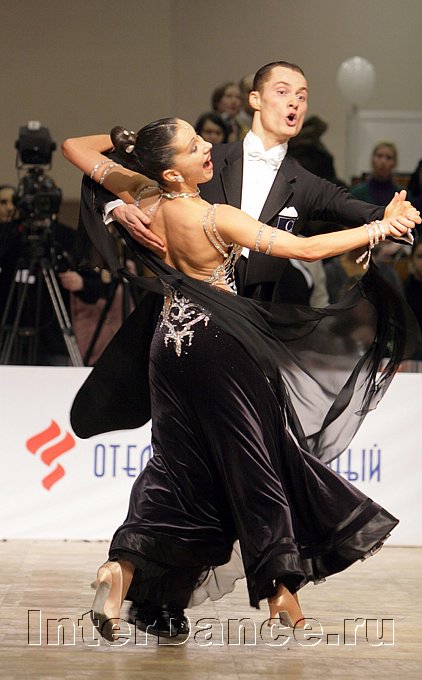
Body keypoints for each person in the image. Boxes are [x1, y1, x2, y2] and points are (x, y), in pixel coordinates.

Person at [92, 60, 419, 636]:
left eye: (303, 94)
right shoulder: (213, 196)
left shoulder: (177, 188)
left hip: (174, 343)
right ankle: (280, 591)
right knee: (259, 462)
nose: (295, 102)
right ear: (255, 99)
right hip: (224, 347)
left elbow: (81, 150)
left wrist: (388, 216)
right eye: (283, 91)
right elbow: (310, 249)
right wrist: (111, 205)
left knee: (179, 469)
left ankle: (125, 571)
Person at [350, 141, 401, 206]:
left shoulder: (401, 195)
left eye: (389, 158)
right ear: (372, 160)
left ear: (394, 163)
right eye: (379, 156)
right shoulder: (357, 193)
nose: (383, 161)